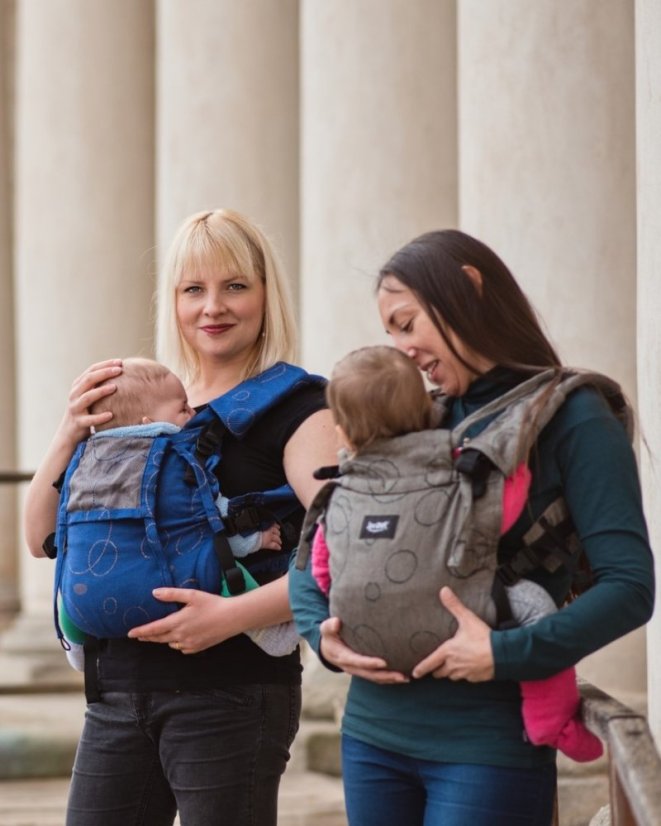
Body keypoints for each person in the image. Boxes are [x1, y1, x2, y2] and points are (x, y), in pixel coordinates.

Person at [289, 229, 655, 826]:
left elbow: (630, 588)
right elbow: (314, 550)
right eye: (390, 333)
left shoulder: (574, 416)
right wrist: (321, 636)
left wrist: (505, 652)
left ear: (468, 288)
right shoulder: (410, 417)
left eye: (408, 324)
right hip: (371, 735)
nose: (402, 350)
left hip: (487, 747)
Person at [24, 208, 336, 826]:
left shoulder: (302, 406)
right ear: (174, 300)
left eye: (235, 286)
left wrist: (229, 617)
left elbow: (347, 552)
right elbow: (39, 539)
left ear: (267, 294)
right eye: (194, 289)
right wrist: (68, 432)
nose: (212, 306)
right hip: (115, 694)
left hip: (231, 692)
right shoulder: (139, 403)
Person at [308, 344, 602, 763]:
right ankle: (549, 718)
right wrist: (516, 463)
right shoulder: (456, 465)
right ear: (427, 412)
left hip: (361, 637)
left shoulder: (341, 491)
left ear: (345, 433)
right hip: (462, 621)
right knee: (537, 608)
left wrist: (348, 599)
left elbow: (322, 567)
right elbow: (503, 508)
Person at [57, 356, 297, 673]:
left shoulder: (85, 462)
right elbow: (216, 524)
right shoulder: (179, 458)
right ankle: (271, 633)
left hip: (91, 595)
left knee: (69, 589)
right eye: (182, 408)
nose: (193, 413)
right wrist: (256, 540)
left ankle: (73, 641)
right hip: (178, 585)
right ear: (147, 423)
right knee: (227, 572)